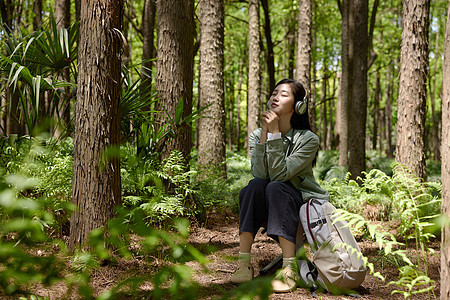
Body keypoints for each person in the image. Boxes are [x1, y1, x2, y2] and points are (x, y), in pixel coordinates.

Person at [230, 78, 330, 293]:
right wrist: (266, 135)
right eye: (274, 93)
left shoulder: (308, 139)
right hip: (268, 198)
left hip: (297, 201)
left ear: (298, 106)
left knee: (275, 187)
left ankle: (289, 267)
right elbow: (260, 174)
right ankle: (243, 262)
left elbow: (279, 175)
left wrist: (275, 134)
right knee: (253, 187)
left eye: (284, 94)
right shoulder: (257, 135)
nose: (276, 97)